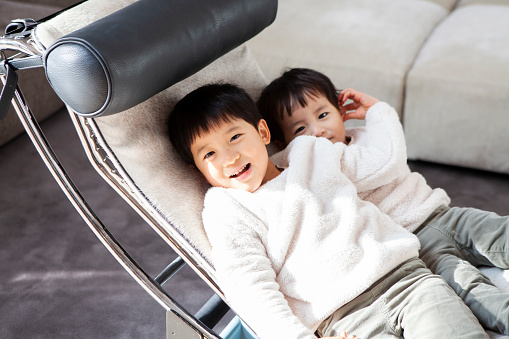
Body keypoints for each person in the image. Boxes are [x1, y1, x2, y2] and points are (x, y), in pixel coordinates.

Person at [168, 83, 488, 339]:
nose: (230, 158)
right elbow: (251, 289)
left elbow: (383, 164)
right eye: (209, 153)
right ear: (197, 168)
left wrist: (377, 112)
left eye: (235, 137)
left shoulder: (312, 153)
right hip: (345, 320)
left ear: (263, 133)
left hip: (407, 281)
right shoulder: (227, 210)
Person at [257, 67, 509, 335]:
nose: (317, 130)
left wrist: (373, 117)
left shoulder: (365, 137)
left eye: (323, 115)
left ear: (341, 112)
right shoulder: (314, 166)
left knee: (498, 230)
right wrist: (379, 110)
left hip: (440, 213)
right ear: (287, 144)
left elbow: (391, 155)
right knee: (470, 287)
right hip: (414, 243)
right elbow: (388, 160)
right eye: (300, 129)